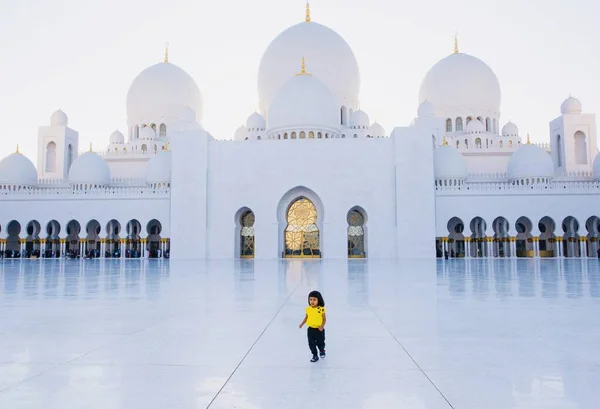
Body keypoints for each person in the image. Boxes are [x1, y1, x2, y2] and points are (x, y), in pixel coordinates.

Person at [298, 290, 327, 362]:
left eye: (314, 300)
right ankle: (315, 355)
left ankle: (322, 350)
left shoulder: (321, 309)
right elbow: (306, 317)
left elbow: (324, 319)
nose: (312, 301)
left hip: (319, 329)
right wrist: (302, 324)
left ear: (318, 300)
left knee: (320, 342)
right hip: (311, 330)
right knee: (311, 343)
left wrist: (322, 326)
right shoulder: (308, 309)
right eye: (310, 299)